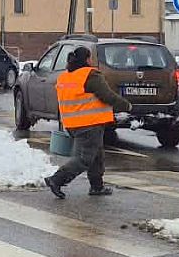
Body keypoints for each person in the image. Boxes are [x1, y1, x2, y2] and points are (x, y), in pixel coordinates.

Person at [41, 46, 130, 198]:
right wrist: (126, 105)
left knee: (96, 155)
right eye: (90, 58)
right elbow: (107, 95)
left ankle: (97, 186)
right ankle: (57, 179)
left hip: (72, 123)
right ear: (87, 59)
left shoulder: (65, 76)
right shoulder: (90, 75)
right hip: (89, 123)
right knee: (84, 159)